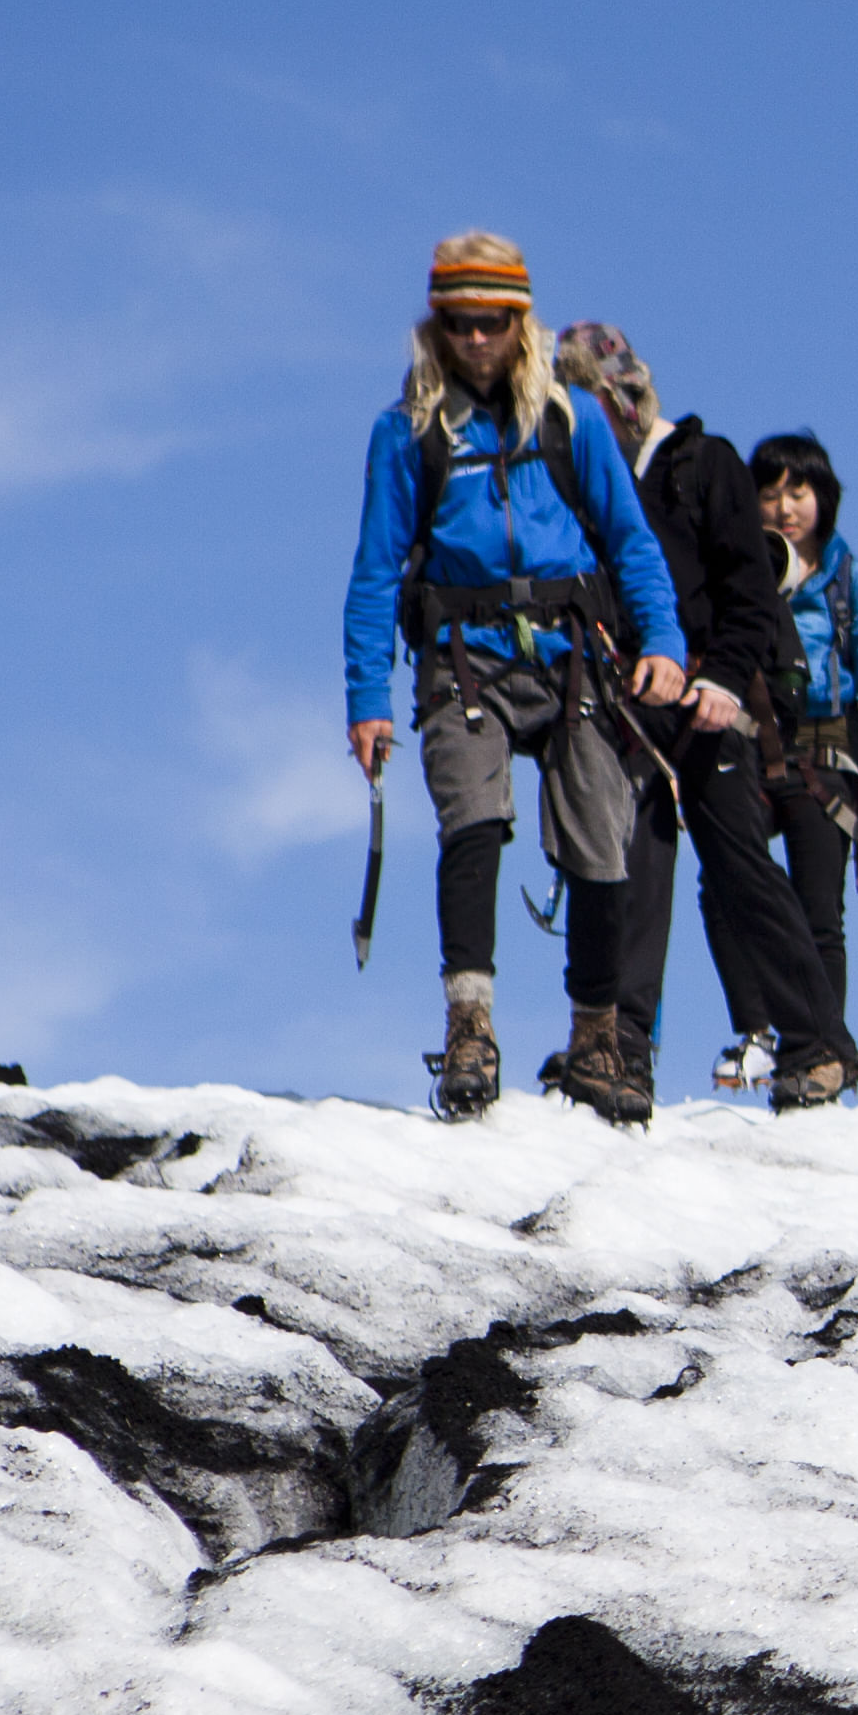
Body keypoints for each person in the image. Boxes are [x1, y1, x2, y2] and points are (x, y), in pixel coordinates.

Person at [339, 231, 695, 1123]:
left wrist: (663, 644)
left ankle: (598, 1037)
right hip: (463, 659)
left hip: (574, 654)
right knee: (473, 821)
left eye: (492, 322)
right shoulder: (408, 432)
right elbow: (376, 571)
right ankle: (470, 1027)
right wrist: (366, 699)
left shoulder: (570, 419)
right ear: (439, 323)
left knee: (599, 835)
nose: (476, 340)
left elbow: (631, 543)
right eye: (459, 323)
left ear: (519, 320)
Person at [549, 322, 858, 1111]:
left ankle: (817, 1041)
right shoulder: (586, 477)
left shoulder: (707, 464)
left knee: (739, 865)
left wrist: (724, 676)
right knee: (634, 860)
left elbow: (750, 589)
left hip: (717, 696)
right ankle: (624, 1044)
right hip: (631, 695)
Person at [751, 432, 858, 1078]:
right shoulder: (744, 571)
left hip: (826, 757)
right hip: (753, 749)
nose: (785, 507)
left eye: (798, 492)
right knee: (736, 887)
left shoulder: (848, 576)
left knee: (819, 910)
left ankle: (821, 1049)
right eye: (771, 492)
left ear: (823, 497)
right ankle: (760, 1029)